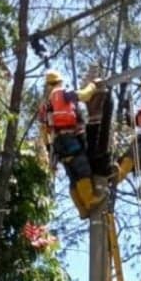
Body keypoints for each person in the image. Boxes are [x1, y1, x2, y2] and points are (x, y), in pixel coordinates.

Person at [39, 70, 105, 219]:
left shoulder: (46, 104)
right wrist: (93, 86)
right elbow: (84, 96)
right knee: (82, 168)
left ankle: (81, 209)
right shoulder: (63, 93)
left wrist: (49, 147)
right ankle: (89, 201)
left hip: (57, 143)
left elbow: (44, 129)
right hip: (69, 137)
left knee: (72, 175)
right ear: (60, 81)